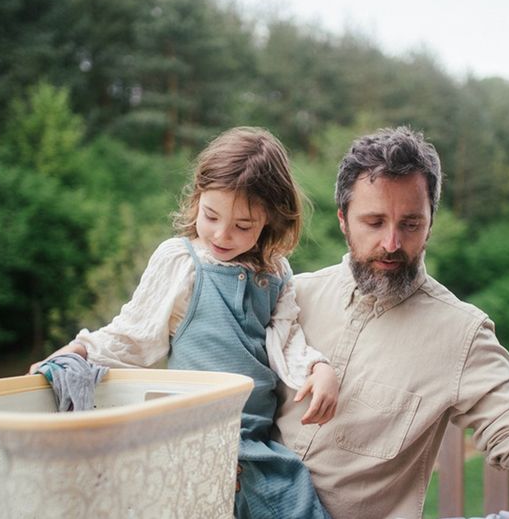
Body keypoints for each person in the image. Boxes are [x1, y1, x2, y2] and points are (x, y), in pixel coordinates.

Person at [272, 126, 509, 519]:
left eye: (410, 224)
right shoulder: (291, 296)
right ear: (344, 220)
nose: (392, 243)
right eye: (374, 222)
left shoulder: (461, 333)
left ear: (430, 222)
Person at [29, 127, 337, 519]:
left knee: (296, 501)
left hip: (255, 435)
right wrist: (79, 350)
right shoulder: (183, 262)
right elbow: (135, 333)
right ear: (197, 198)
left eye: (243, 226)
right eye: (211, 216)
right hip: (197, 430)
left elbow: (287, 338)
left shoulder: (276, 272)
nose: (223, 234)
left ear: (269, 222)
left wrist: (318, 366)